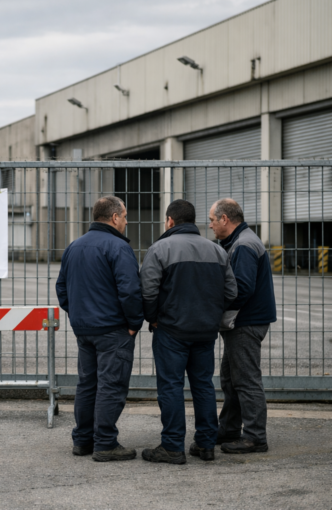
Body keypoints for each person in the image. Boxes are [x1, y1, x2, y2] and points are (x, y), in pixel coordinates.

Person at [140, 200, 237, 464]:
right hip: (205, 332)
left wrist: (153, 318)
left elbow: (148, 291)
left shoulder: (160, 248)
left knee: (171, 386)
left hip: (171, 330)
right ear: (193, 222)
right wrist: (210, 314)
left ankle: (172, 446)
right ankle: (206, 445)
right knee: (203, 385)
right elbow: (231, 292)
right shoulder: (217, 251)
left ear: (170, 221)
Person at [56, 196, 144, 462]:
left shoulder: (74, 246)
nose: (127, 222)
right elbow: (130, 291)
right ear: (115, 217)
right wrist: (133, 324)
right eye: (125, 216)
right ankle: (105, 443)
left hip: (85, 329)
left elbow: (62, 288)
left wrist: (78, 315)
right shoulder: (118, 247)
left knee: (87, 384)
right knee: (111, 385)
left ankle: (83, 440)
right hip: (113, 329)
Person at [209, 198, 276, 454]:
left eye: (213, 220)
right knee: (230, 378)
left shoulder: (244, 245)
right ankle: (227, 429)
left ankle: (255, 436)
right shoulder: (240, 240)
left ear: (225, 219)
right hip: (245, 321)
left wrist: (212, 304)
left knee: (246, 380)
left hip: (246, 323)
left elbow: (242, 288)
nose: (211, 225)